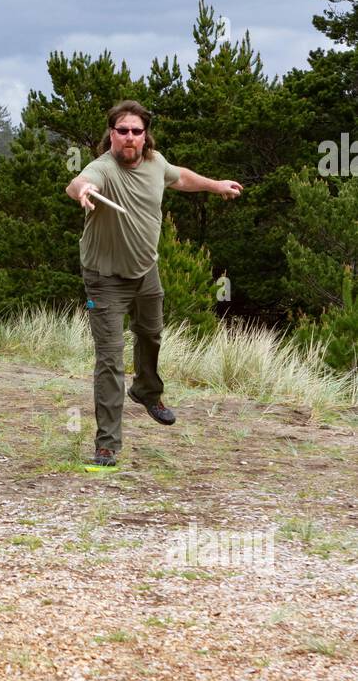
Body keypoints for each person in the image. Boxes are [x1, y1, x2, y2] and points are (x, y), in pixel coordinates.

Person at [65, 100, 243, 467]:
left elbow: (179, 177)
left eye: (136, 131)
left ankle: (147, 391)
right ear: (111, 135)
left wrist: (215, 185)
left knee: (152, 335)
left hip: (146, 272)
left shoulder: (155, 162)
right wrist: (81, 191)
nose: (129, 137)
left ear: (145, 135)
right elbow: (80, 181)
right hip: (105, 280)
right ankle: (108, 445)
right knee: (110, 361)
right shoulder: (103, 168)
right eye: (122, 131)